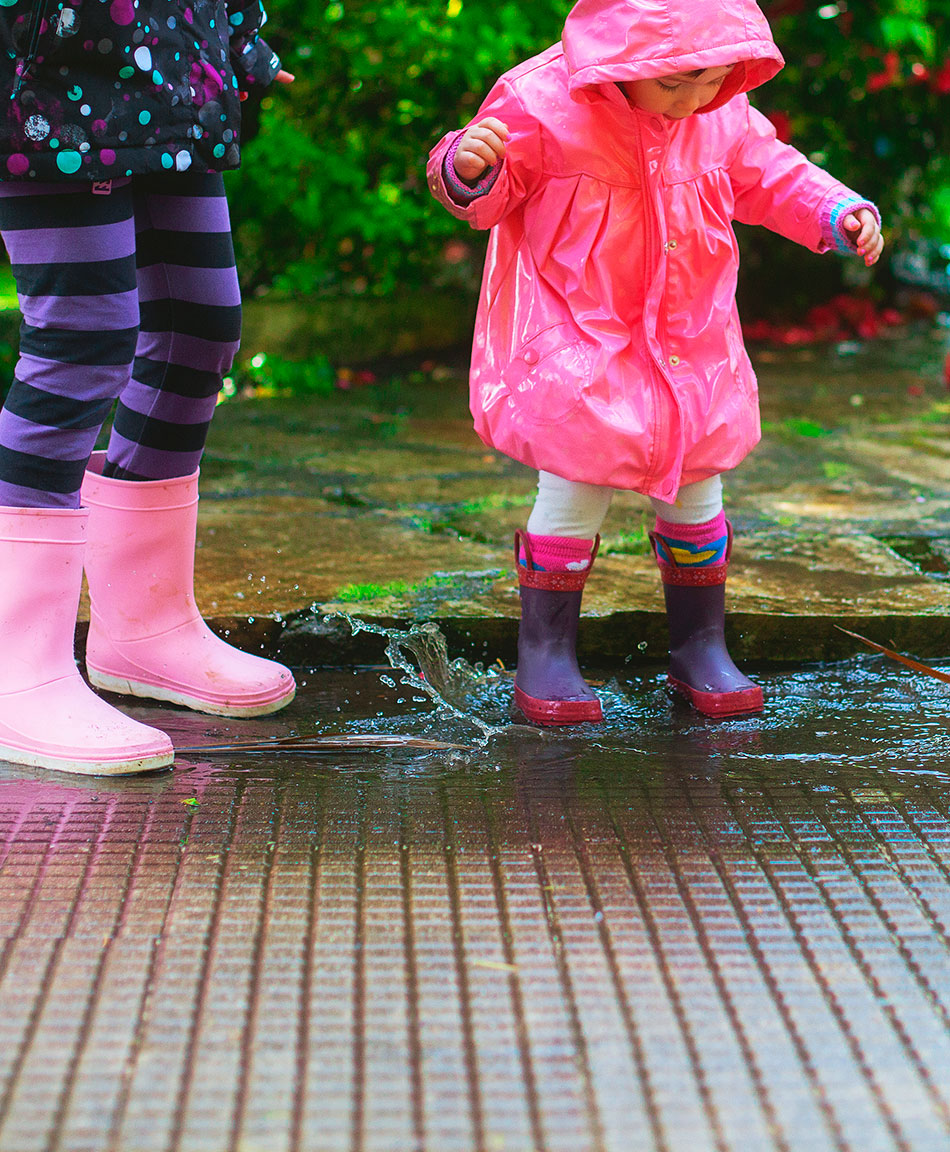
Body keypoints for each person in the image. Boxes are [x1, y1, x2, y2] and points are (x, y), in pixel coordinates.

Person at [428, 0, 883, 726]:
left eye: (710, 78)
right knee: (576, 480)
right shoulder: (542, 100)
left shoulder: (719, 112)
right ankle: (547, 654)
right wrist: (466, 165)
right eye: (673, 83)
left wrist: (834, 210)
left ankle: (700, 646)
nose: (693, 99)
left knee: (697, 479)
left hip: (689, 334)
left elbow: (769, 171)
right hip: (579, 330)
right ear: (620, 54)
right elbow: (490, 189)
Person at [0, 0, 297, 775]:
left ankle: (146, 627)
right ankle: (16, 666)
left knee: (200, 328)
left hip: (171, 77)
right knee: (80, 341)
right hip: (50, 85)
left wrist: (239, 35)